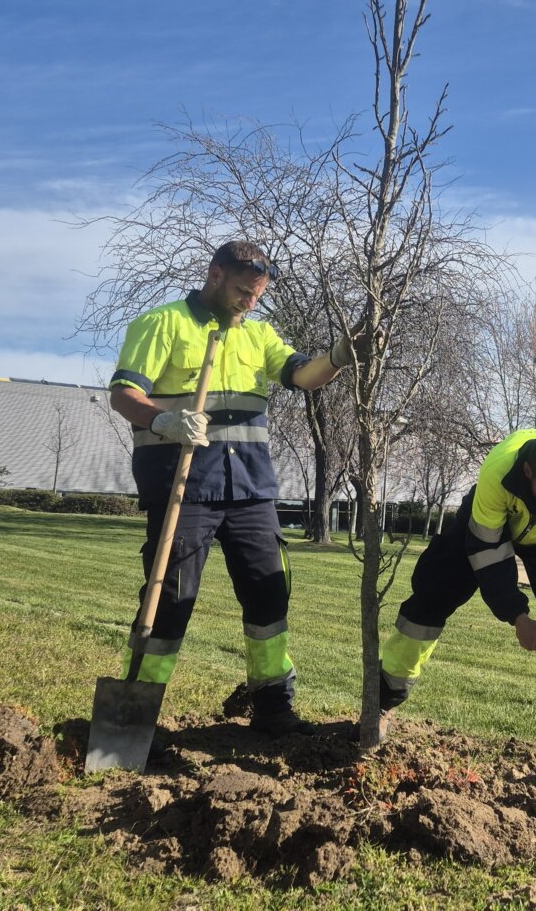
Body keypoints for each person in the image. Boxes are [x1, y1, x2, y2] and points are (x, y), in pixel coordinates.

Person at [109, 240, 357, 736]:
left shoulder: (259, 335)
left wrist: (338, 356)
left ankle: (273, 708)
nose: (251, 300)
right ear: (216, 274)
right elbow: (123, 395)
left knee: (269, 596)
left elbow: (303, 376)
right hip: (184, 488)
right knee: (169, 600)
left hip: (250, 490)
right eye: (244, 290)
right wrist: (163, 421)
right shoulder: (163, 323)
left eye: (258, 294)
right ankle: (135, 722)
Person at [379, 429, 536, 762]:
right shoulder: (497, 474)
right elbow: (488, 553)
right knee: (432, 596)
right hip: (484, 529)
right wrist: (518, 616)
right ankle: (382, 700)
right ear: (528, 472)